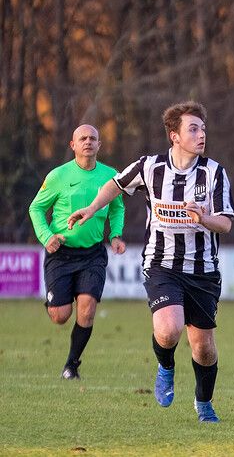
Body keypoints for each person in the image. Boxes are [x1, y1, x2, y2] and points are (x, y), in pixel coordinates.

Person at [67, 101, 234, 423]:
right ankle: (166, 366)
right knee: (169, 329)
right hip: (161, 264)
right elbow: (114, 186)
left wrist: (205, 218)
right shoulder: (149, 167)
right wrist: (91, 209)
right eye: (193, 129)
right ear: (174, 135)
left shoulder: (214, 173)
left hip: (203, 272)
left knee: (203, 347)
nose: (202, 135)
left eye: (203, 129)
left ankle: (204, 404)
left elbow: (225, 224)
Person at [28, 125, 126, 379]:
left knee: (87, 309)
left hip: (93, 254)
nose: (88, 142)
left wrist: (115, 234)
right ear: (72, 145)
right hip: (61, 253)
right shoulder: (58, 176)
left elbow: (117, 208)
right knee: (60, 316)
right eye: (82, 138)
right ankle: (55, 300)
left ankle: (72, 365)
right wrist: (46, 237)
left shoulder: (111, 175)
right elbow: (35, 209)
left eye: (93, 138)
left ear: (100, 145)